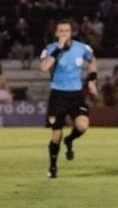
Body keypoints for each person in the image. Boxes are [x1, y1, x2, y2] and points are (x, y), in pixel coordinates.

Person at [39, 18, 98, 179]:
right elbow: (44, 67)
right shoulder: (50, 48)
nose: (64, 33)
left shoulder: (81, 48)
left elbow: (93, 61)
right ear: (57, 33)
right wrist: (58, 49)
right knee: (56, 135)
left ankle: (70, 140)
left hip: (76, 95)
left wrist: (92, 79)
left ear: (72, 32)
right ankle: (52, 167)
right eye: (61, 31)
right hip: (57, 96)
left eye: (67, 31)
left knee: (82, 126)